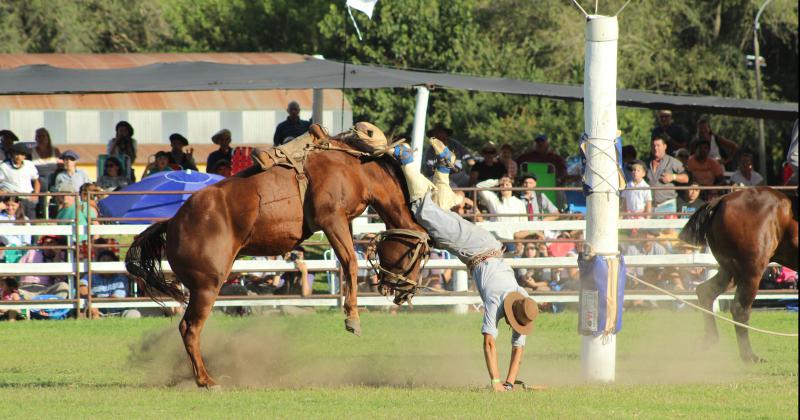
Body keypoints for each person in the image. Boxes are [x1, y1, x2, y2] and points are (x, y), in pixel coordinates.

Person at [391, 137, 539, 392]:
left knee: (437, 211)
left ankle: (445, 166)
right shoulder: (498, 301)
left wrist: (510, 383)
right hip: (475, 248)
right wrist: (496, 382)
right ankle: (405, 158)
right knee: (422, 211)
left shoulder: (523, 299)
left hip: (481, 248)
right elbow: (490, 344)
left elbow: (518, 349)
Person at [78, 250, 139, 319]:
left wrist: (94, 301)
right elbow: (81, 287)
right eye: (103, 260)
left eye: (109, 261)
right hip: (95, 311)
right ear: (98, 263)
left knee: (134, 314)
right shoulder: (92, 275)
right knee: (80, 315)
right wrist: (92, 303)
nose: (106, 263)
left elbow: (116, 298)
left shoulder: (121, 278)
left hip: (118, 311)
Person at [476, 176, 527, 245]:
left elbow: (524, 224)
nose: (504, 187)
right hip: (495, 240)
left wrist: (519, 242)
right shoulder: (493, 199)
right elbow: (478, 186)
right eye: (502, 185)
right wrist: (497, 181)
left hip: (512, 241)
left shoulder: (520, 203)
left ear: (512, 187)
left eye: (507, 184)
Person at [421, 123, 474, 187]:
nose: (439, 135)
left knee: (472, 182)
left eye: (441, 132)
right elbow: (429, 170)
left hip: (459, 176)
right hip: (440, 177)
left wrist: (472, 164)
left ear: (446, 134)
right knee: (452, 186)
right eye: (436, 133)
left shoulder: (455, 144)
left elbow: (470, 160)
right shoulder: (430, 150)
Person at [645, 135, 689, 214]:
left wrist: (673, 177)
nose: (655, 148)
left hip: (667, 205)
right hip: (650, 206)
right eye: (653, 145)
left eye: (658, 145)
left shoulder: (672, 161)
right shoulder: (647, 162)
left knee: (668, 227)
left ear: (665, 146)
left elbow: (686, 178)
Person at [0, 142, 39, 220]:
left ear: (25, 156)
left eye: (21, 154)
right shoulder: (4, 166)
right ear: (12, 154)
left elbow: (36, 181)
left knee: (30, 222)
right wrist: (3, 193)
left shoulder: (30, 165)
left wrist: (36, 194)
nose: (18, 157)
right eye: (16, 154)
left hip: (27, 198)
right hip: (11, 199)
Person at [31, 127, 61, 213]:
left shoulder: (55, 150)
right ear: (35, 138)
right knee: (41, 182)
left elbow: (61, 166)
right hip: (37, 180)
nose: (41, 138)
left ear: (48, 137)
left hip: (53, 179)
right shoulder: (31, 151)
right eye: (38, 136)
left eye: (43, 136)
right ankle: (41, 209)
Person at [0, 195, 31, 263]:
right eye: (7, 205)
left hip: (19, 251)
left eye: (13, 205)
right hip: (3, 250)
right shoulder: (1, 217)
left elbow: (26, 241)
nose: (10, 208)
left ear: (18, 204)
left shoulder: (24, 219)